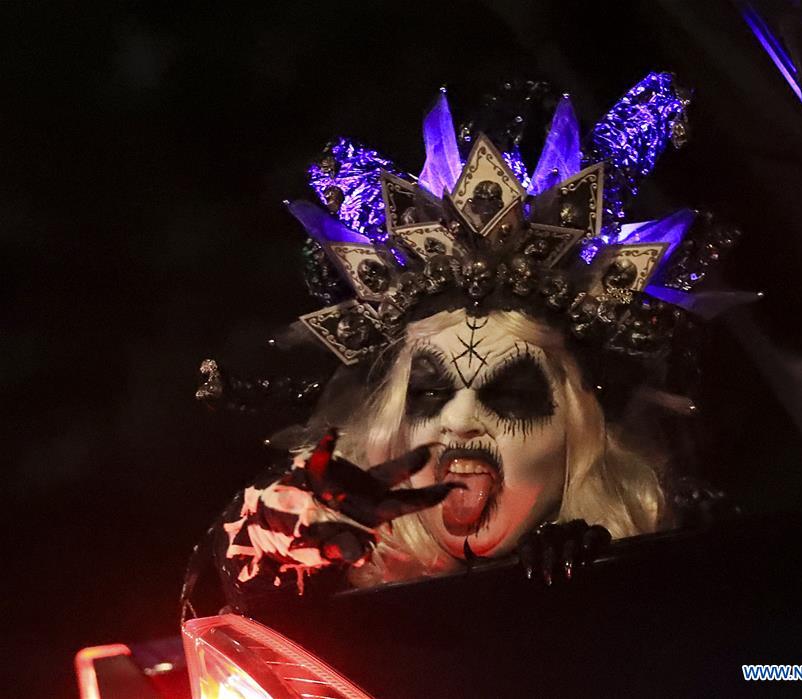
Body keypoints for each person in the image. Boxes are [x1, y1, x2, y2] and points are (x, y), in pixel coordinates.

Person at [191, 76, 745, 612]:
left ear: (581, 432)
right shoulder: (329, 581)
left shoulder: (684, 557)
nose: (459, 417)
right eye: (429, 393)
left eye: (510, 394)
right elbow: (227, 612)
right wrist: (282, 528)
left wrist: (602, 589)